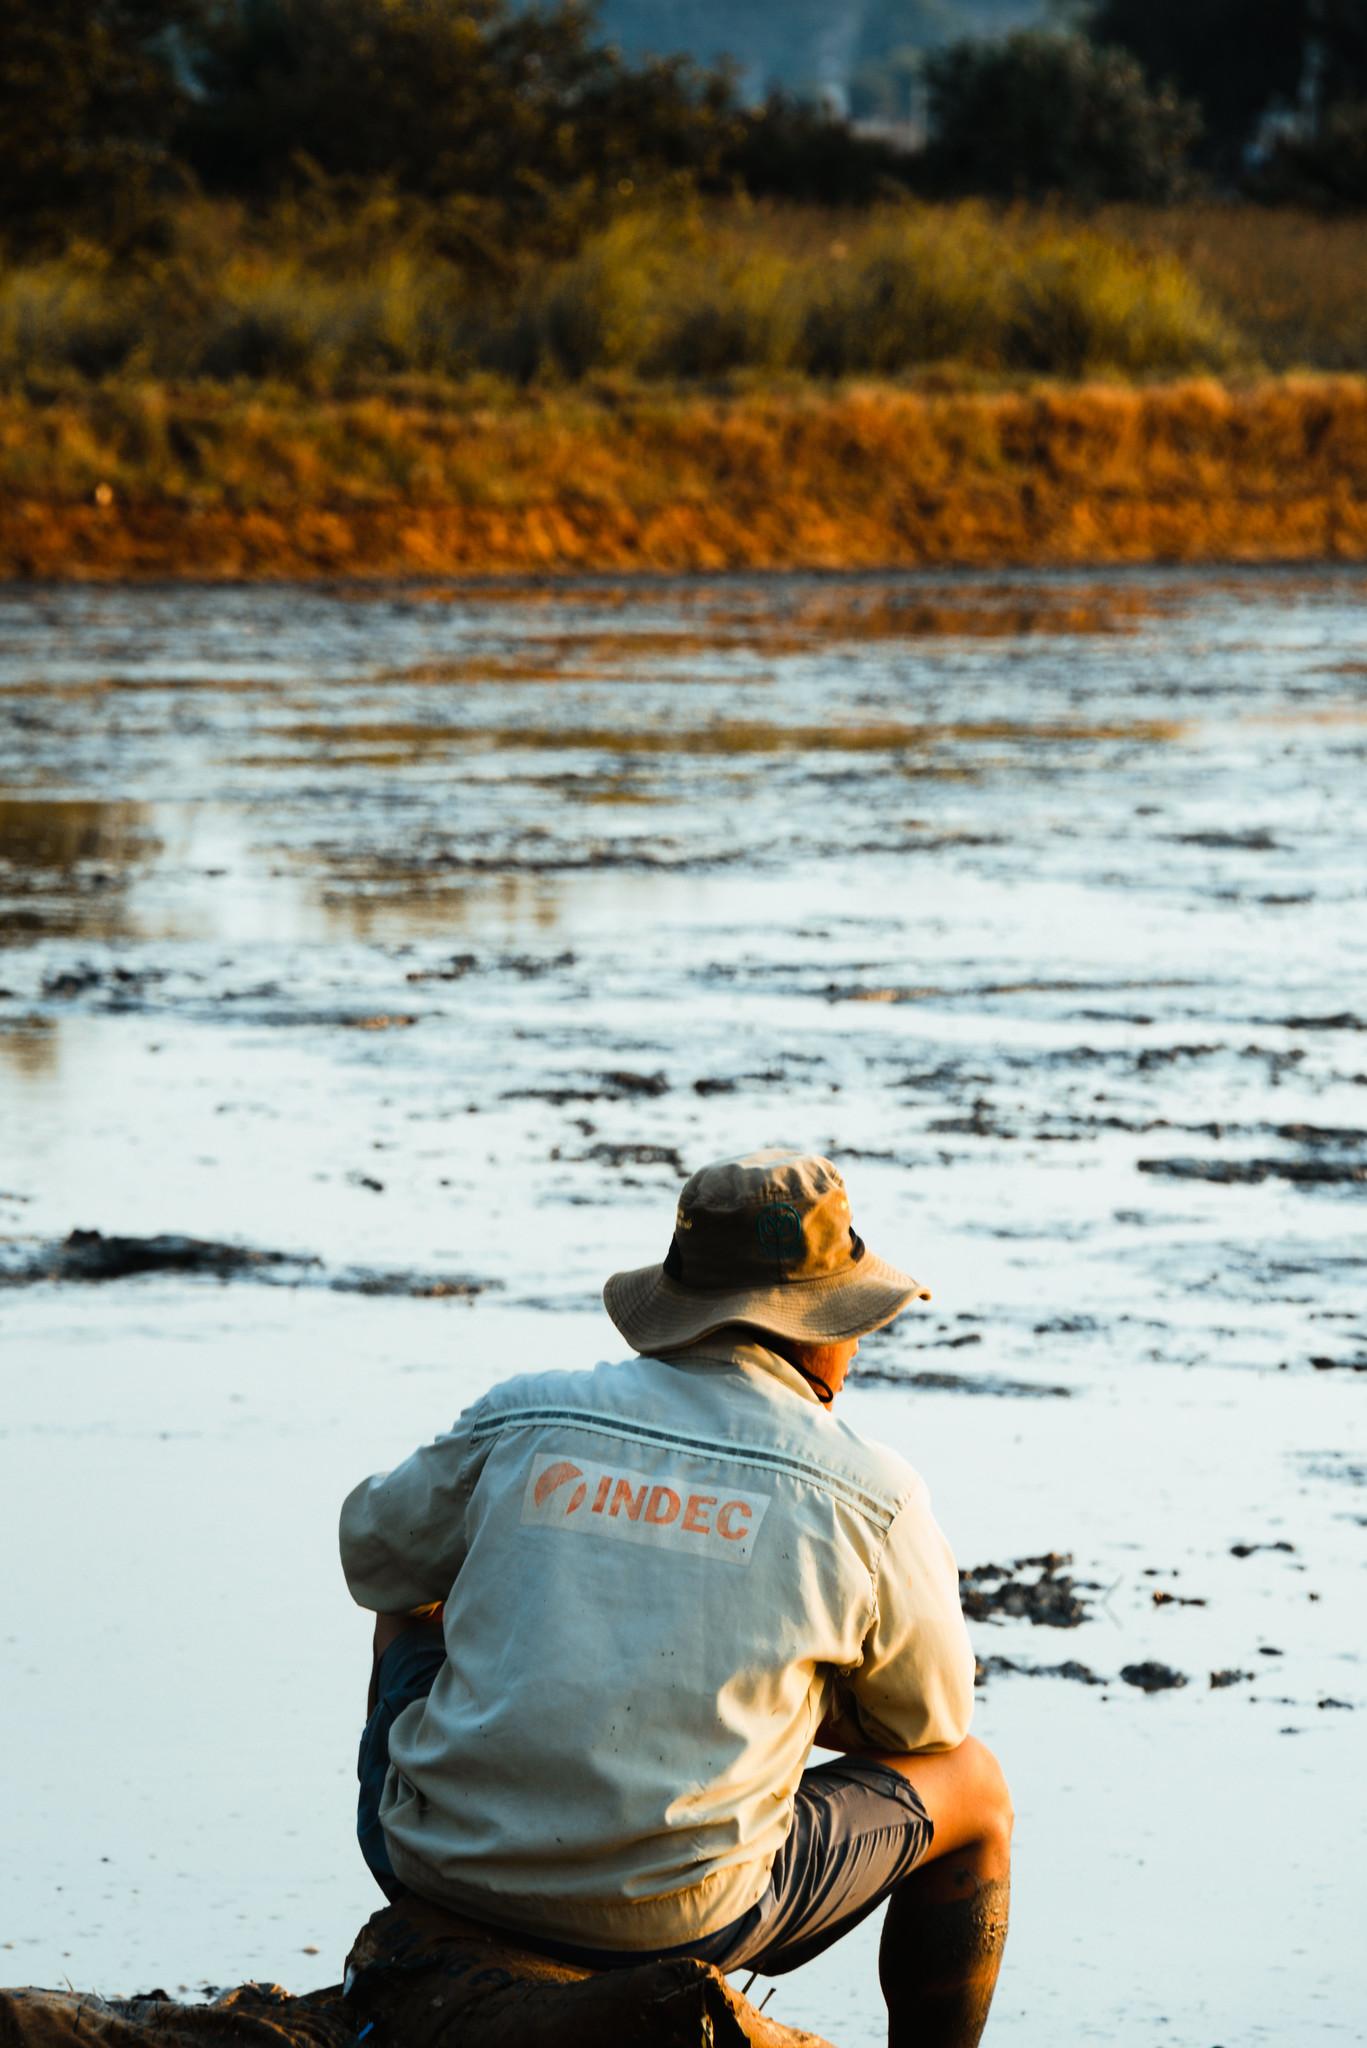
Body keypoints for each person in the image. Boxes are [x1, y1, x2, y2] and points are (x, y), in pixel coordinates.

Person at [340, 1149, 1011, 2047]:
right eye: (850, 1320)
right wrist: (791, 1700)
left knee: (410, 1585)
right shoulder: (868, 1492)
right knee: (974, 1787)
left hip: (430, 1867)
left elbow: (368, 1551)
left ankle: (467, 1860)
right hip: (679, 1916)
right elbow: (930, 1723)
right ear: (817, 1325)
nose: (854, 1348)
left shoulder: (528, 1413)